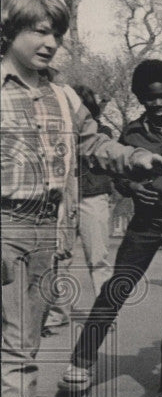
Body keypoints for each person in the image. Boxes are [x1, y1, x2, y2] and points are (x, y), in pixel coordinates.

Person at [1, 0, 162, 397]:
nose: (50, 42)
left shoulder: (65, 96)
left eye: (57, 33)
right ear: (9, 30)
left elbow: (94, 144)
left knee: (20, 357)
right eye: (39, 30)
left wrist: (136, 158)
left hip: (45, 235)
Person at [58, 59, 162, 397]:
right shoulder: (130, 132)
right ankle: (78, 367)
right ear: (140, 99)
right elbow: (119, 175)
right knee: (113, 291)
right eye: (148, 98)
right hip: (145, 224)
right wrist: (131, 187)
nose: (157, 104)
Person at [41, 84, 116, 338]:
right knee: (60, 259)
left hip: (93, 198)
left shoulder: (100, 133)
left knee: (98, 258)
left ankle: (104, 314)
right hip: (64, 200)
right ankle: (56, 314)